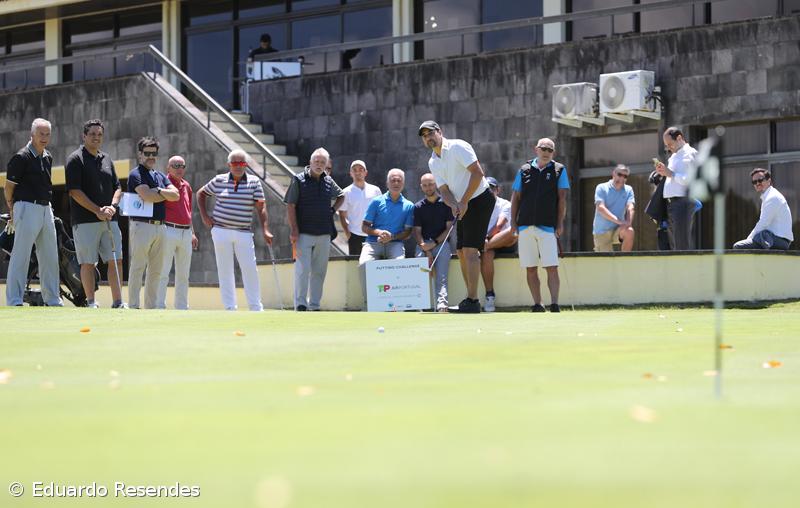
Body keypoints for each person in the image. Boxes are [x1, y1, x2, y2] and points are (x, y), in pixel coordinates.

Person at [419, 120, 495, 314]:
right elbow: (443, 189)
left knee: (470, 250)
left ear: (440, 132)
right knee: (460, 251)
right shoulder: (433, 161)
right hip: (463, 203)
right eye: (424, 136)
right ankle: (470, 299)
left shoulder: (458, 146)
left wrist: (464, 201)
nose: (428, 138)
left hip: (479, 199)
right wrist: (454, 205)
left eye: (431, 133)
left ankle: (472, 300)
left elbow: (478, 173)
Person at [198, 149, 273, 311]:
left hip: (244, 231)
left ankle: (255, 306)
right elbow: (201, 194)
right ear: (229, 165)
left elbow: (261, 207)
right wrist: (204, 216)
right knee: (225, 270)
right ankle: (230, 307)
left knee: (250, 269)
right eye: (235, 163)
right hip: (220, 230)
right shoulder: (219, 180)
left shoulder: (254, 182)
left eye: (241, 163)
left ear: (246, 164)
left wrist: (265, 229)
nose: (238, 166)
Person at [65, 119, 124, 309]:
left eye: (99, 134)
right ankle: (91, 302)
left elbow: (118, 187)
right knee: (88, 263)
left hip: (109, 219)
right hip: (85, 222)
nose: (96, 137)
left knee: (116, 260)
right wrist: (97, 210)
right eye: (92, 134)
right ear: (84, 136)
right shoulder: (75, 159)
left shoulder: (107, 159)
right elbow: (74, 191)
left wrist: (113, 206)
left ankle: (118, 302)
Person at [4, 118, 62, 307]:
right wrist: (13, 210)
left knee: (50, 256)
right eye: (41, 134)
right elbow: (8, 188)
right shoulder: (21, 157)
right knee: (21, 255)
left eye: (47, 134)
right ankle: (14, 300)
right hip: (25, 207)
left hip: (46, 208)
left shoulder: (48, 156)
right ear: (32, 134)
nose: (44, 138)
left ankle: (52, 299)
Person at [510, 137, 569, 313]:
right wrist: (513, 222)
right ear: (536, 149)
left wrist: (559, 223)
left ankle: (555, 304)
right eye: (543, 148)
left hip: (548, 226)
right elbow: (516, 197)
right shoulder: (524, 169)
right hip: (525, 226)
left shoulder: (559, 170)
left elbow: (562, 199)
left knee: (551, 266)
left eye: (549, 150)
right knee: (530, 268)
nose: (546, 152)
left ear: (553, 153)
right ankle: (538, 303)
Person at [285, 147, 344, 311]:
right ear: (310, 162)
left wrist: (332, 210)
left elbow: (341, 196)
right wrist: (294, 230)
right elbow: (290, 205)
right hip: (303, 233)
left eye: (323, 162)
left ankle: (315, 304)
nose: (319, 165)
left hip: (324, 233)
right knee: (302, 271)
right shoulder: (298, 180)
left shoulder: (328, 181)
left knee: (319, 271)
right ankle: (301, 304)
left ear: (326, 165)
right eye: (316, 162)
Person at [126, 137, 179, 309]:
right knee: (138, 267)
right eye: (147, 153)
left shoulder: (160, 176)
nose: (151, 157)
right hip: (142, 225)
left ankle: (151, 307)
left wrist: (157, 190)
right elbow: (146, 196)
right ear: (140, 154)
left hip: (161, 226)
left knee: (156, 270)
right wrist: (163, 194)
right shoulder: (136, 174)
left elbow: (176, 195)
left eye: (153, 154)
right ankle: (133, 305)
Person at [157, 155, 198, 310]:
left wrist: (193, 232)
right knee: (163, 271)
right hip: (168, 230)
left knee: (183, 274)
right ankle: (159, 305)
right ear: (168, 168)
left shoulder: (186, 186)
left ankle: (182, 307)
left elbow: (189, 211)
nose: (179, 168)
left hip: (186, 232)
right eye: (175, 165)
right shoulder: (163, 183)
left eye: (182, 165)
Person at [413, 173, 454, 312]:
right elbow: (417, 231)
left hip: (442, 245)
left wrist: (434, 243)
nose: (428, 187)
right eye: (425, 185)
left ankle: (442, 305)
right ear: (421, 187)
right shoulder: (418, 207)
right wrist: (425, 248)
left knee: (441, 277)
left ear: (435, 184)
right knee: (419, 275)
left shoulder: (446, 204)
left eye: (430, 184)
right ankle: (419, 304)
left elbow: (449, 229)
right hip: (423, 246)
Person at [655, 127, 698, 250]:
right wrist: (662, 173)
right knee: (674, 243)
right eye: (666, 145)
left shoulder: (690, 153)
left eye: (670, 144)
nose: (668, 148)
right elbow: (672, 177)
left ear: (679, 138)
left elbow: (691, 179)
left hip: (683, 202)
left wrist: (671, 174)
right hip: (672, 204)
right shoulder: (674, 156)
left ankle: (685, 268)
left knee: (681, 243)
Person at [480, 177, 517, 312]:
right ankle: (490, 295)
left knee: (513, 231)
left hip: (505, 242)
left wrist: (486, 239)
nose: (490, 191)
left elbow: (500, 225)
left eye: (492, 188)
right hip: (488, 244)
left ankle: (486, 246)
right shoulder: (479, 205)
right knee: (487, 254)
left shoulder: (505, 204)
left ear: (498, 190)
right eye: (486, 189)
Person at [733, 168, 794, 250]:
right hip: (775, 239)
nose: (757, 183)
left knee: (738, 246)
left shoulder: (772, 197)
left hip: (778, 240)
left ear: (769, 181)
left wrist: (749, 239)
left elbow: (763, 223)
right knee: (757, 238)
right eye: (754, 182)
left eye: (760, 180)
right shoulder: (769, 196)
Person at [339, 160, 382, 256]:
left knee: (374, 266)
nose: (358, 172)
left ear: (365, 172)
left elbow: (381, 211)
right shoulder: (345, 192)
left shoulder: (375, 190)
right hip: (355, 235)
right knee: (355, 266)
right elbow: (342, 215)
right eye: (354, 170)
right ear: (351, 173)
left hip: (373, 234)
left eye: (361, 169)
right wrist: (348, 234)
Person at [593, 164, 635, 252]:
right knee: (605, 263)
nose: (622, 178)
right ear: (613, 174)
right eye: (619, 174)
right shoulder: (601, 187)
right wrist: (619, 221)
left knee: (629, 230)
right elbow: (601, 208)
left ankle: (625, 260)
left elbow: (630, 208)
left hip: (618, 229)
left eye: (625, 176)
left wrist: (628, 223)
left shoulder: (628, 190)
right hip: (602, 232)